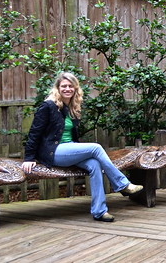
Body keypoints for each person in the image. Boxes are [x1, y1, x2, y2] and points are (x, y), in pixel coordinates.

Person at [22, 72, 143, 222]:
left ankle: (99, 211)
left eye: (70, 86)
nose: (67, 89)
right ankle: (123, 184)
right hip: (53, 151)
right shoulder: (48, 106)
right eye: (63, 86)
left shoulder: (70, 107)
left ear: (75, 88)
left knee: (95, 164)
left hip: (68, 149)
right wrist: (29, 157)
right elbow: (34, 132)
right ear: (57, 88)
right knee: (96, 148)